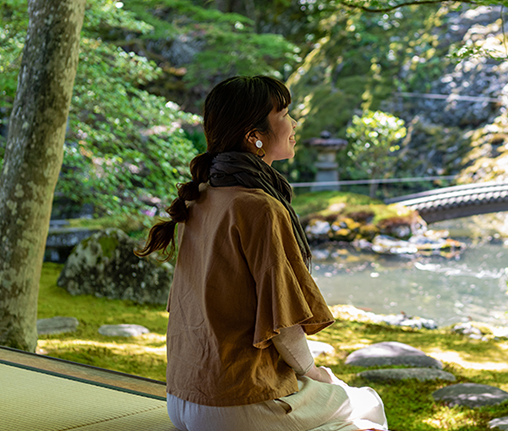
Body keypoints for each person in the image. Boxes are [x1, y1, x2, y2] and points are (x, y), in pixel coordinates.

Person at [137, 75, 388, 431]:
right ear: (253, 135)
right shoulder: (258, 207)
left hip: (183, 396)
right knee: (368, 404)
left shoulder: (202, 196)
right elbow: (282, 325)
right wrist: (316, 374)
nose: (295, 123)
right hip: (239, 401)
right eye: (284, 113)